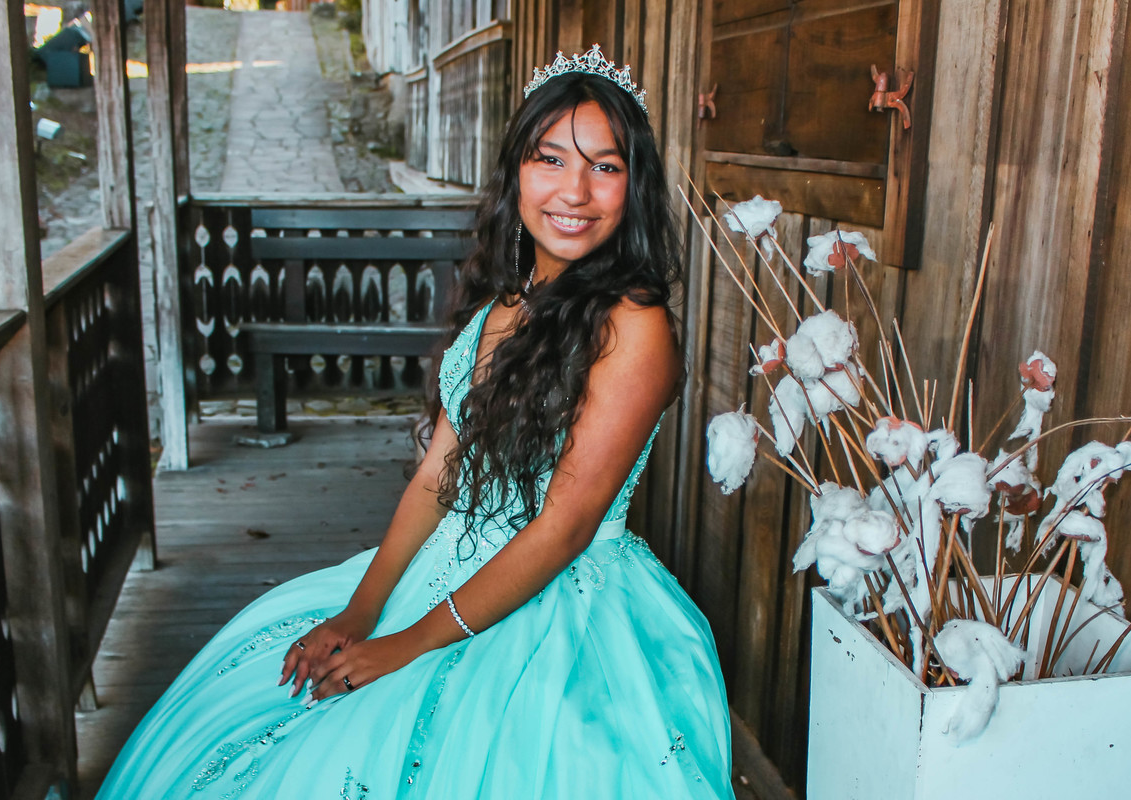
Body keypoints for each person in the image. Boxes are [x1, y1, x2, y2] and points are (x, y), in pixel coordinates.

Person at [97, 45, 732, 799]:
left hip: (561, 597)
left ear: (634, 183)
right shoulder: (506, 304)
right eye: (551, 159)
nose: (575, 190)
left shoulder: (634, 325)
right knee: (263, 710)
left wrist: (406, 645)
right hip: (446, 567)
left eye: (605, 166)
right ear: (516, 171)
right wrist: (362, 611)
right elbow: (438, 475)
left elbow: (563, 528)